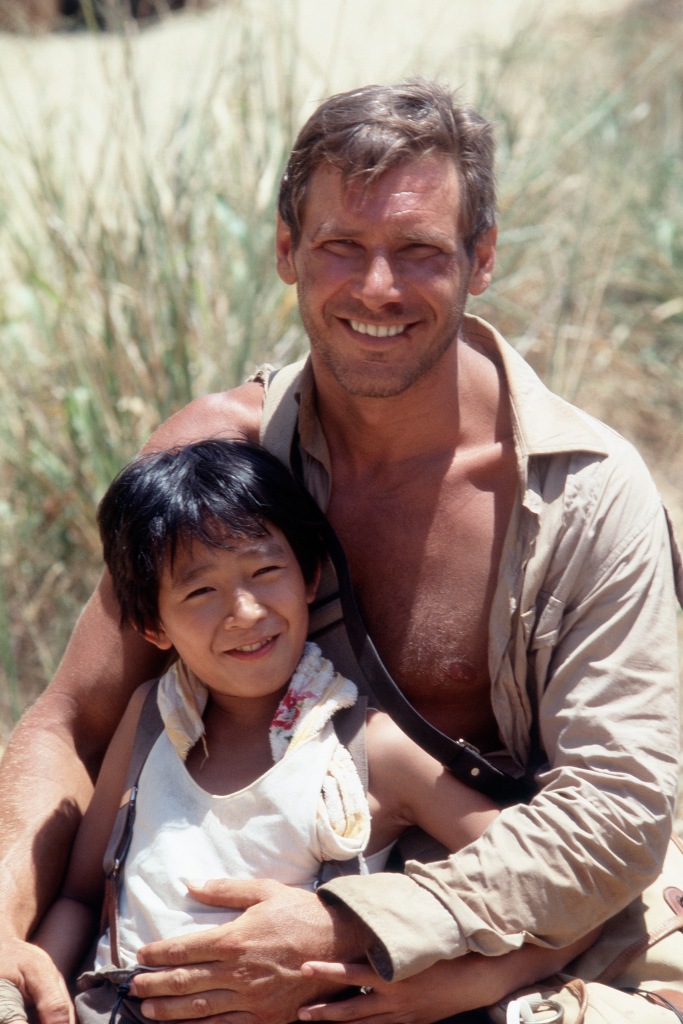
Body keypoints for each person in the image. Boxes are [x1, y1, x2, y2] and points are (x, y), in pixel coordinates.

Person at [0, 78, 680, 1024]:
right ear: (286, 251)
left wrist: (352, 934)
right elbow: (68, 723)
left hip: (528, 931)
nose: (376, 289)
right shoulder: (219, 464)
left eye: (419, 252)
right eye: (339, 248)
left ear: (481, 258)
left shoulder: (585, 494)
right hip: (220, 943)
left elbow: (615, 821)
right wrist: (7, 922)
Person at [8, 437, 504, 1024]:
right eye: (199, 591)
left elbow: (513, 866)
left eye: (265, 569)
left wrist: (463, 981)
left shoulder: (367, 749)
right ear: (152, 624)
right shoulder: (150, 721)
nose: (244, 611)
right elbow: (79, 895)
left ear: (311, 575)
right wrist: (37, 996)